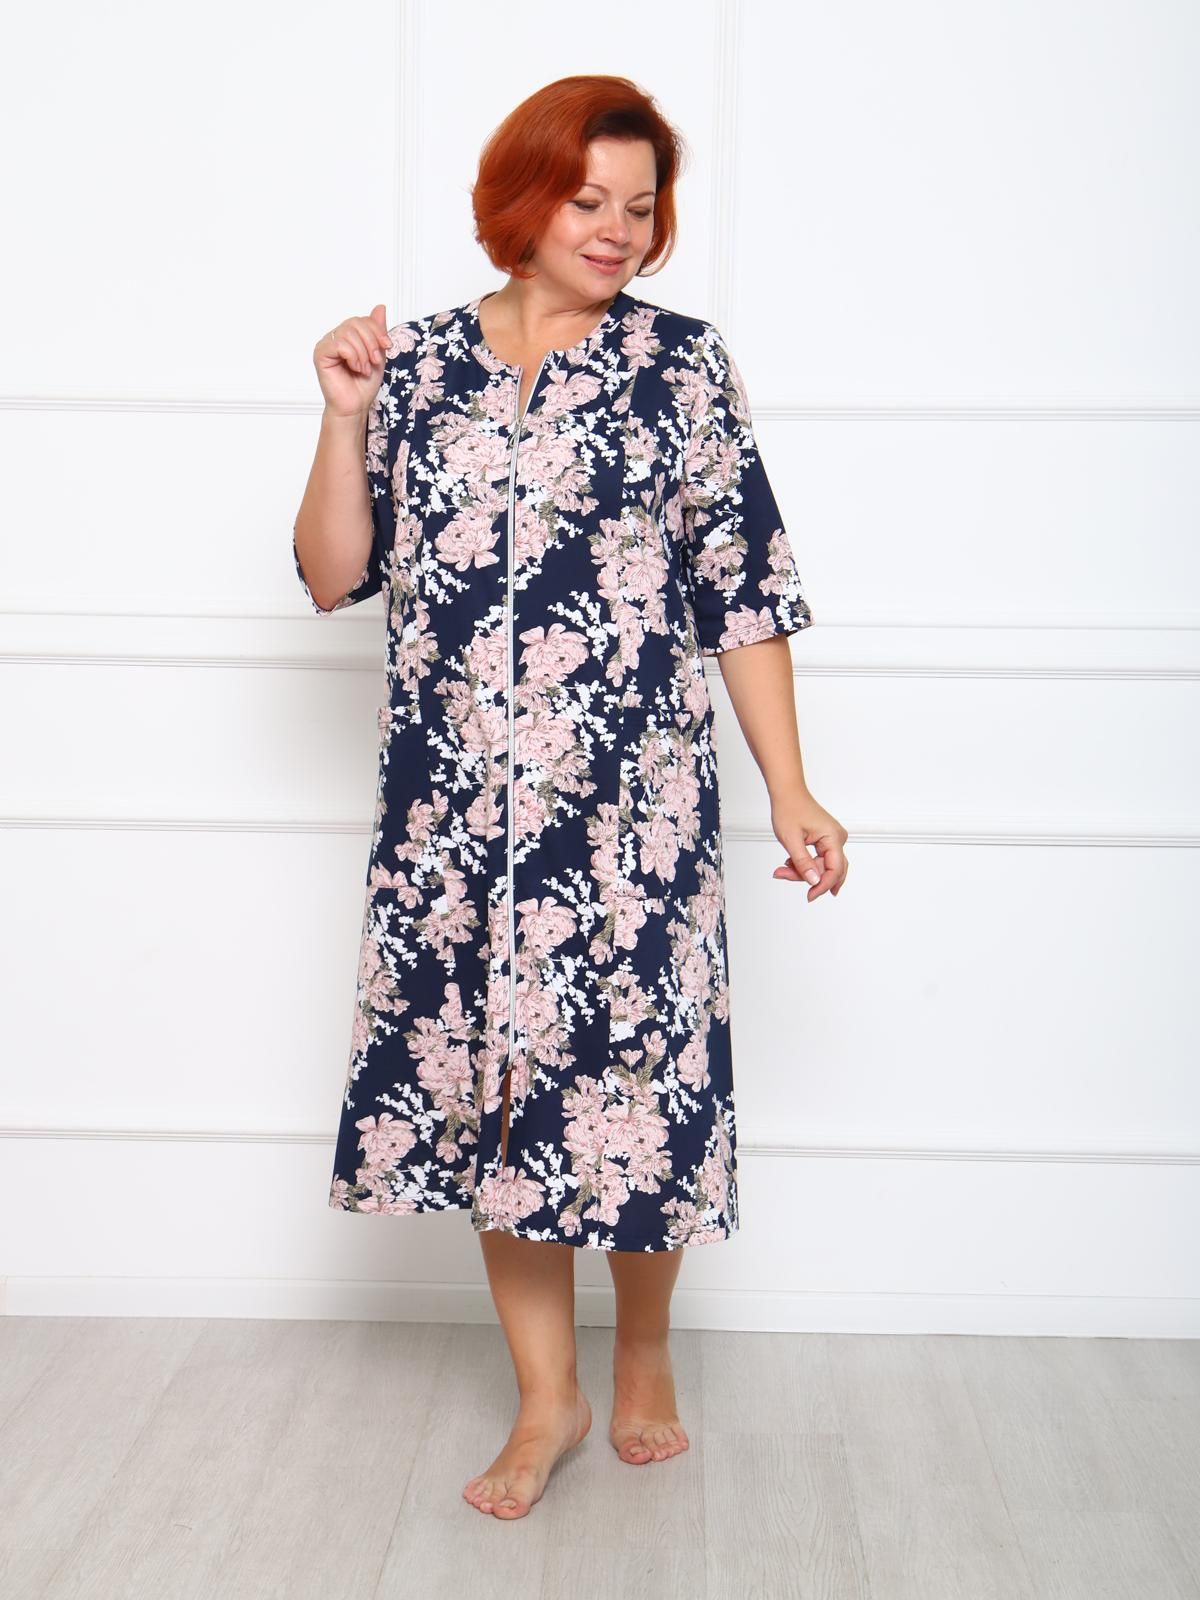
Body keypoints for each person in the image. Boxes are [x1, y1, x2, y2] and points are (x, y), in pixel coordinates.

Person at [292, 74, 849, 1521]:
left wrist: (793, 789)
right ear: (522, 200)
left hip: (630, 820)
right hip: (453, 828)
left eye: (640, 206)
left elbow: (743, 592)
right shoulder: (414, 366)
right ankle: (549, 1397)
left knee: (635, 1093)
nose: (616, 229)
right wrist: (342, 418)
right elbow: (334, 574)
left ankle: (643, 1349)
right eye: (588, 199)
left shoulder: (682, 366)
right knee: (498, 1105)